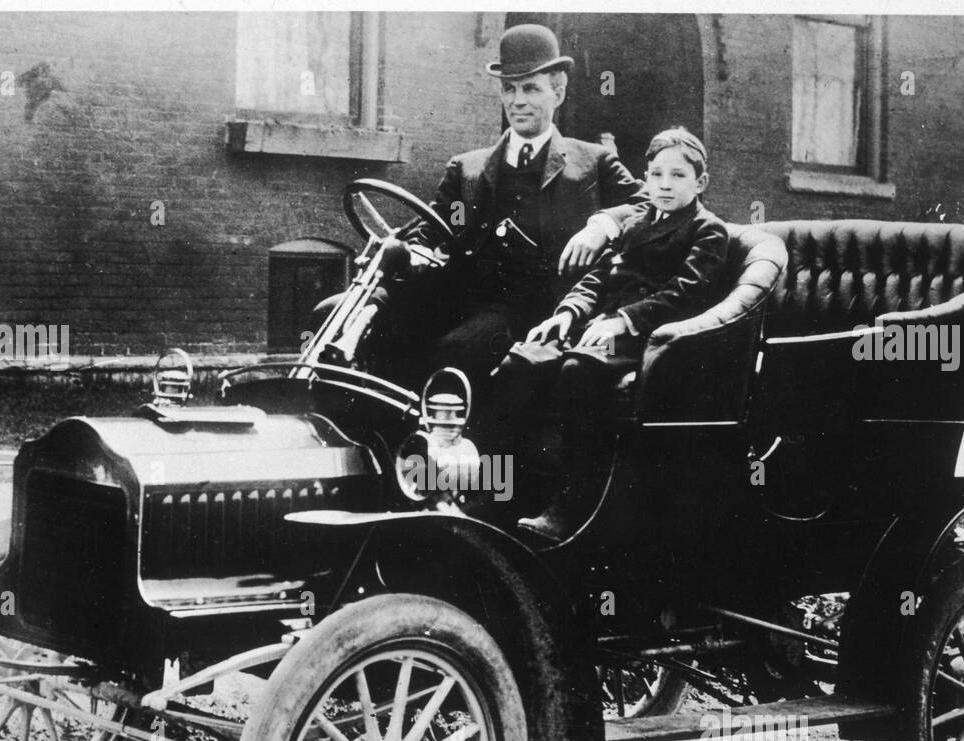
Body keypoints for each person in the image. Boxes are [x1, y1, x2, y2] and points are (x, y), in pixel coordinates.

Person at [310, 24, 645, 391]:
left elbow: (648, 206)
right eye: (509, 89)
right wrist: (417, 252)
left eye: (531, 88)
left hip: (540, 309)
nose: (517, 101)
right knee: (335, 315)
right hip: (459, 297)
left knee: (460, 349)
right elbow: (436, 229)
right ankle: (376, 437)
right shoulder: (467, 167)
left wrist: (602, 225)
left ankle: (449, 441)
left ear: (559, 92)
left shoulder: (593, 163)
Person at [492, 126, 729, 541]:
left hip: (651, 339)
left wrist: (623, 320)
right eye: (656, 175)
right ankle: (502, 491)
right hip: (596, 327)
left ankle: (572, 503)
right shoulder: (634, 222)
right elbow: (597, 277)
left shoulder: (707, 230)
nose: (665, 185)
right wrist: (566, 314)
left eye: (678, 176)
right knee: (520, 362)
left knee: (577, 372)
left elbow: (685, 293)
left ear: (700, 182)